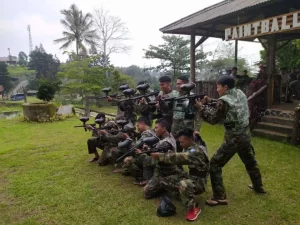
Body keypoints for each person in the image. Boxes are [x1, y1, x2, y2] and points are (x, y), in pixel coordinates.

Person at [195, 76, 266, 206]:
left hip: (233, 138)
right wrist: (211, 101)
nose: (217, 90)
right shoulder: (240, 93)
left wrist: (200, 107)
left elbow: (213, 119)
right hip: (245, 134)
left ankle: (219, 197)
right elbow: (229, 104)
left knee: (215, 164)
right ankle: (259, 186)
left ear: (225, 87)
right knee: (250, 161)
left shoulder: (223, 101)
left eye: (218, 87)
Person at [150, 128, 209, 221]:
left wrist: (159, 156)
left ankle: (193, 208)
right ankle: (184, 195)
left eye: (182, 142)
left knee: (183, 184)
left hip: (199, 182)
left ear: (190, 140)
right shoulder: (194, 146)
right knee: (166, 180)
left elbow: (179, 157)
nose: (180, 144)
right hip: (192, 177)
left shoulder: (195, 151)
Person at [122, 116, 156, 183]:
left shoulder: (147, 134)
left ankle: (142, 177)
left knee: (128, 161)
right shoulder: (150, 132)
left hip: (148, 160)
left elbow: (135, 146)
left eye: (138, 125)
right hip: (149, 158)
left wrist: (128, 138)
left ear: (143, 123)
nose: (137, 127)